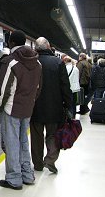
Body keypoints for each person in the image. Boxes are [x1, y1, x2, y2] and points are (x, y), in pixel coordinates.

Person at [0, 30, 42, 190]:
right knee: (23, 140)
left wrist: (0, 106)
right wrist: (30, 103)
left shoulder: (10, 62)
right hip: (27, 108)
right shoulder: (37, 63)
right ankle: (27, 175)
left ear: (12, 43)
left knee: (11, 142)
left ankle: (14, 179)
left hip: (11, 108)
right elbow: (38, 88)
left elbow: (3, 89)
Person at [30, 37, 72, 174]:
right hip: (55, 106)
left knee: (36, 136)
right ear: (48, 47)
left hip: (34, 106)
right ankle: (50, 159)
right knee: (52, 135)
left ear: (36, 48)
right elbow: (65, 86)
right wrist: (69, 104)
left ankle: (37, 164)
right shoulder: (58, 62)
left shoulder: (31, 62)